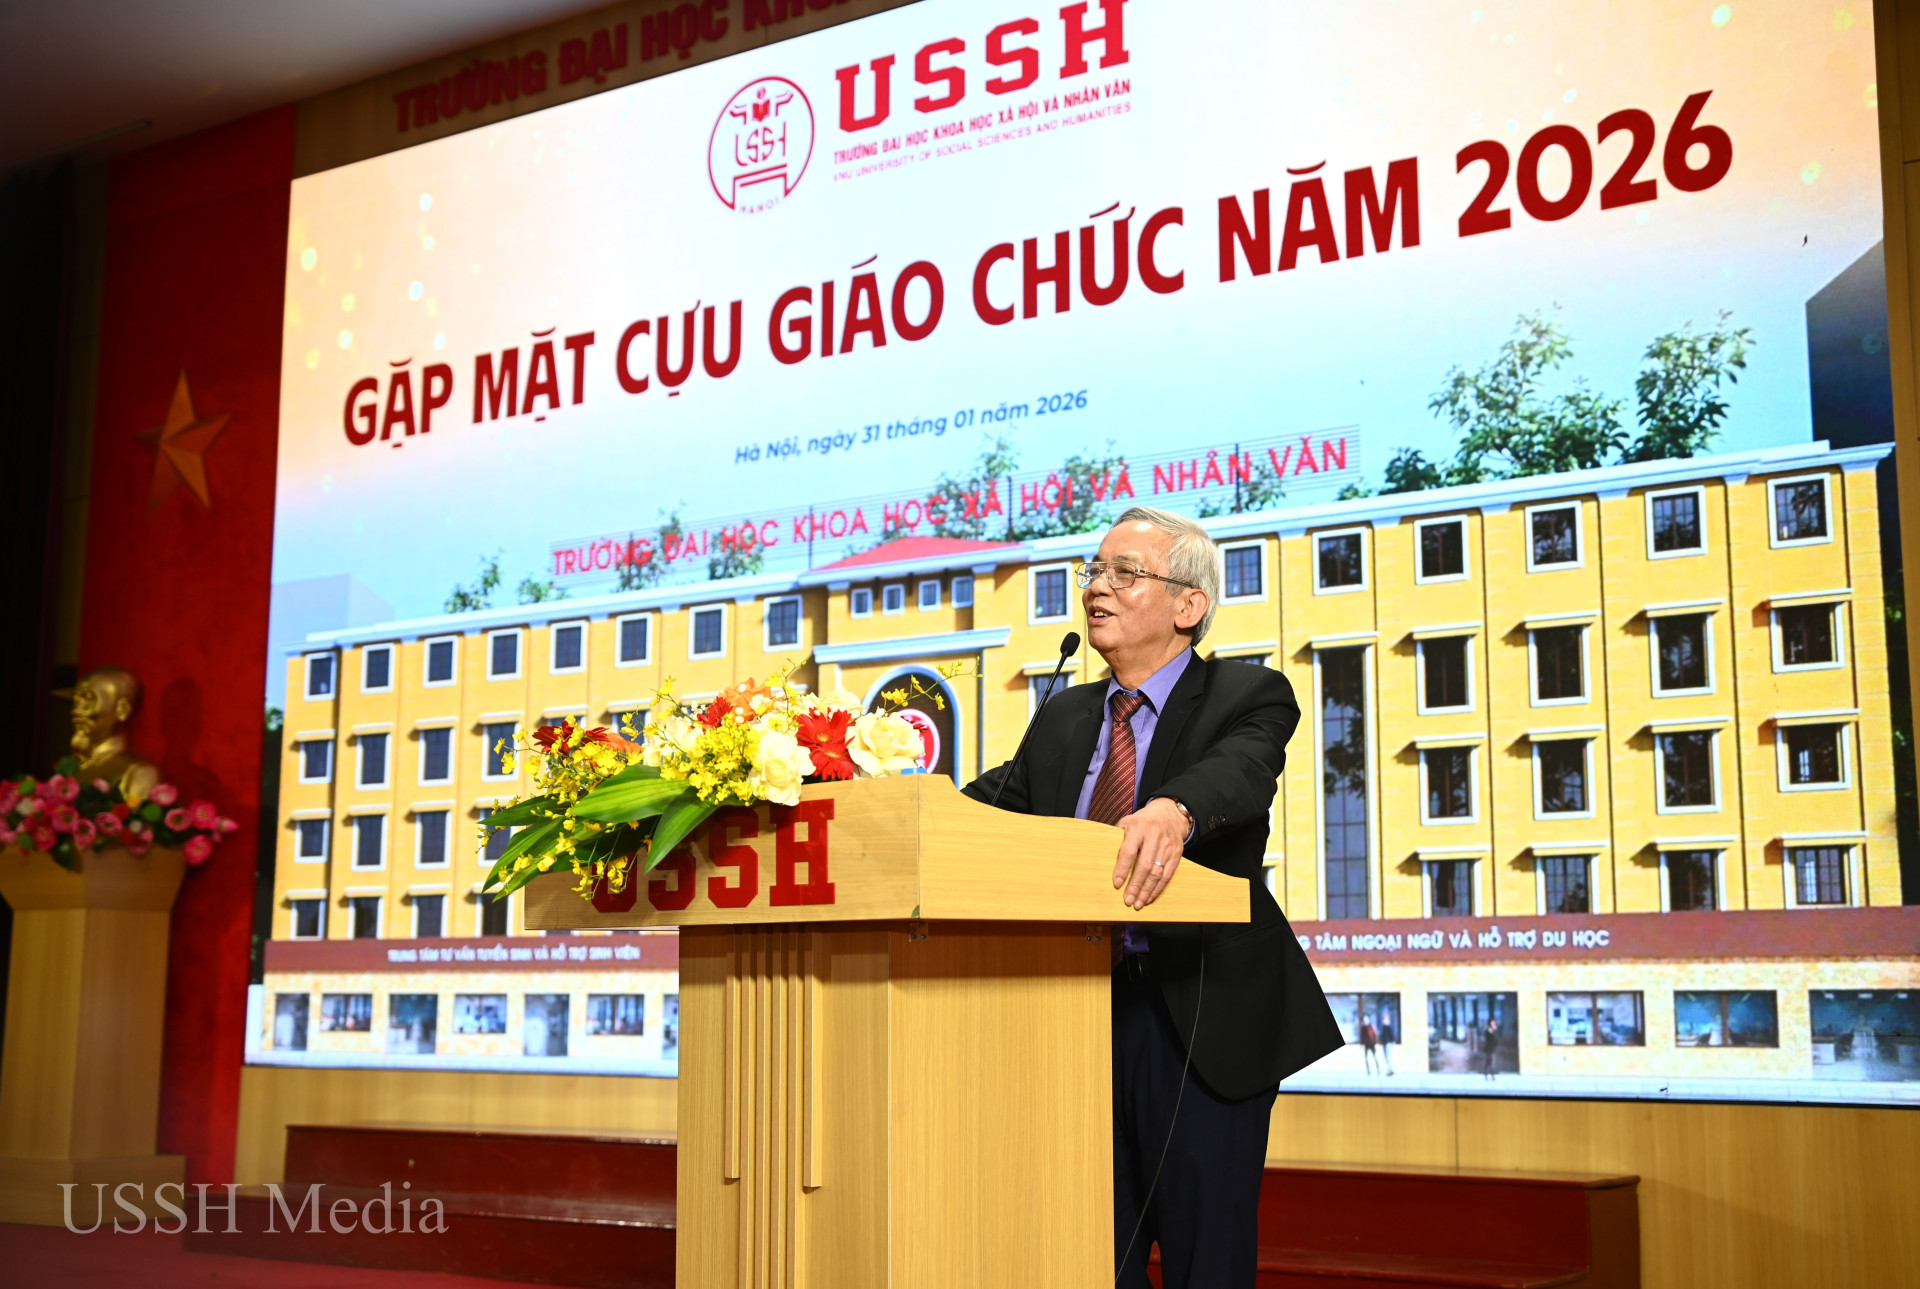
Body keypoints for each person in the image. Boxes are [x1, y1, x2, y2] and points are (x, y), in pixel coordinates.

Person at [966, 506, 1342, 1289]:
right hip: (1072, 1019)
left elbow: (1239, 773)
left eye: (1124, 572)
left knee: (1207, 1264)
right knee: (1087, 1257)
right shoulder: (1065, 713)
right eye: (1093, 571)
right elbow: (989, 806)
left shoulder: (1247, 693)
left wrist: (1174, 809)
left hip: (1198, 1018)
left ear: (1188, 604)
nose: (1096, 588)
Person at [1480, 1016, 1501, 1080]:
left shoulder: (1493, 1030)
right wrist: (1494, 1030)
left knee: (1489, 1062)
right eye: (1493, 1023)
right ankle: (1490, 1075)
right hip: (1489, 1048)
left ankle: (1488, 1074)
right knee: (1490, 1062)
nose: (1494, 1024)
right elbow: (1492, 1036)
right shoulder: (1489, 1030)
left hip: (1492, 1048)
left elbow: (1496, 1039)